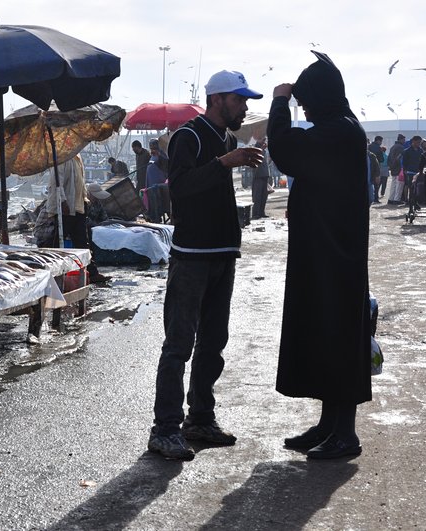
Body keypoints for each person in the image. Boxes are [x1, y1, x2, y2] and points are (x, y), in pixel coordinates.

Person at [148, 70, 264, 461]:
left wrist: (230, 160)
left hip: (221, 254)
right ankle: (164, 429)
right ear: (218, 100)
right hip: (192, 257)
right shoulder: (189, 136)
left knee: (213, 342)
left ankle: (200, 419)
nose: (245, 107)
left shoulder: (227, 138)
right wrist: (224, 163)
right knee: (179, 344)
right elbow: (178, 189)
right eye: (239, 100)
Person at [267, 51, 371, 460]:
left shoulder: (342, 131)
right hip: (326, 249)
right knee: (325, 331)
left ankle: (345, 433)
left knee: (339, 334)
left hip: (336, 255)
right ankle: (330, 425)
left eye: (308, 101)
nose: (304, 108)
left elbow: (287, 150)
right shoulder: (338, 127)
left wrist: (280, 104)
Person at [46, 155, 109, 282]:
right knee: (57, 243)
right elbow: (56, 183)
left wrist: (84, 200)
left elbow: (80, 183)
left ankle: (92, 273)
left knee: (83, 243)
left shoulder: (77, 159)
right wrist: (63, 202)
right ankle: (50, 274)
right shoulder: (62, 158)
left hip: (78, 207)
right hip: (65, 208)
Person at [251, 138, 273, 218]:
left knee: (264, 196)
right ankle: (256, 213)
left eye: (265, 140)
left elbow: (267, 161)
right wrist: (262, 150)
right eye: (263, 140)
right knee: (258, 196)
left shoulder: (264, 150)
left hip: (265, 175)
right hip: (258, 175)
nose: (264, 142)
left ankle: (261, 212)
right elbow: (257, 159)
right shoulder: (256, 149)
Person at [386, 134, 406, 204]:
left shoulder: (392, 147)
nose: (404, 141)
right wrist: (402, 167)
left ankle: (390, 199)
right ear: (400, 140)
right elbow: (399, 158)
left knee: (393, 184)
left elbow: (389, 158)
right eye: (403, 139)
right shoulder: (401, 148)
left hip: (393, 168)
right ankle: (397, 199)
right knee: (399, 185)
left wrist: (390, 166)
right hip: (398, 168)